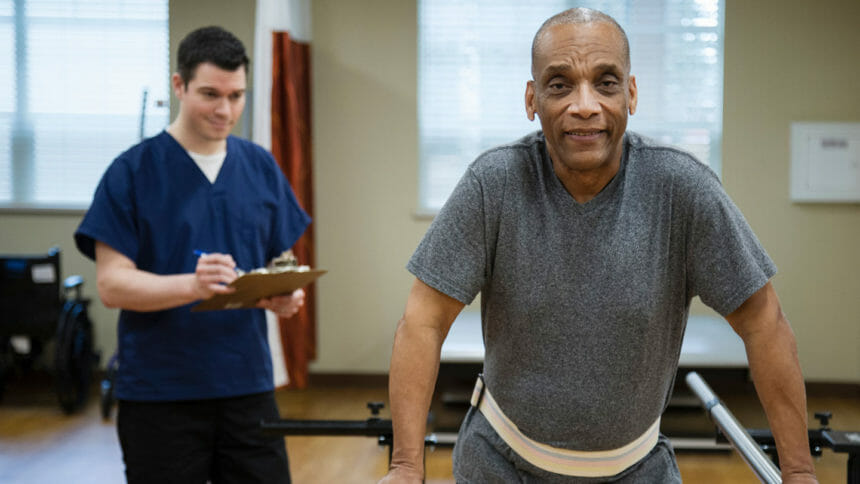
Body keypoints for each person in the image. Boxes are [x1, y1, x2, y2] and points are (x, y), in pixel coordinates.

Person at [381, 8, 818, 484]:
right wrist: (406, 467)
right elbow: (423, 322)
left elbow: (764, 323)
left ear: (631, 93)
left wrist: (797, 471)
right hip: (500, 465)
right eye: (560, 84)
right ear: (532, 99)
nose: (583, 105)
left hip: (637, 468)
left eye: (605, 83)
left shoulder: (682, 189)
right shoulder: (494, 184)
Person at [74, 26, 309, 483]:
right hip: (162, 394)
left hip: (247, 385)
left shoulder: (259, 166)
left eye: (237, 95)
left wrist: (284, 294)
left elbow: (283, 261)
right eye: (210, 94)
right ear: (179, 85)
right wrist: (193, 286)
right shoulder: (131, 173)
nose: (226, 110)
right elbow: (111, 284)